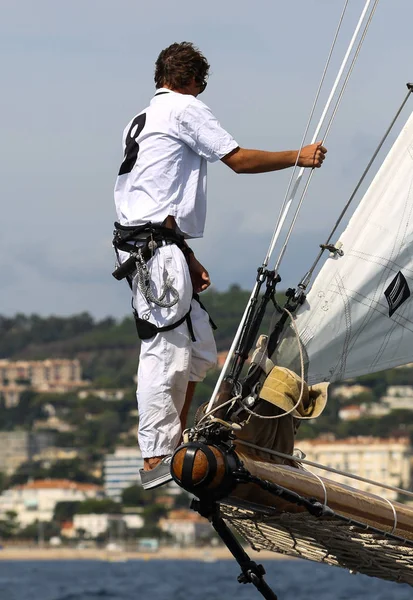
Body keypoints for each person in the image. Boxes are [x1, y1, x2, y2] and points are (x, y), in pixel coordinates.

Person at [113, 41, 327, 490]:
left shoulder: (143, 116)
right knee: (164, 349)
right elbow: (237, 160)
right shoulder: (185, 109)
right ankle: (156, 455)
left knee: (199, 349)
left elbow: (153, 199)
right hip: (153, 247)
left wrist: (187, 257)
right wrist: (298, 157)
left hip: (154, 244)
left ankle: (173, 439)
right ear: (193, 81)